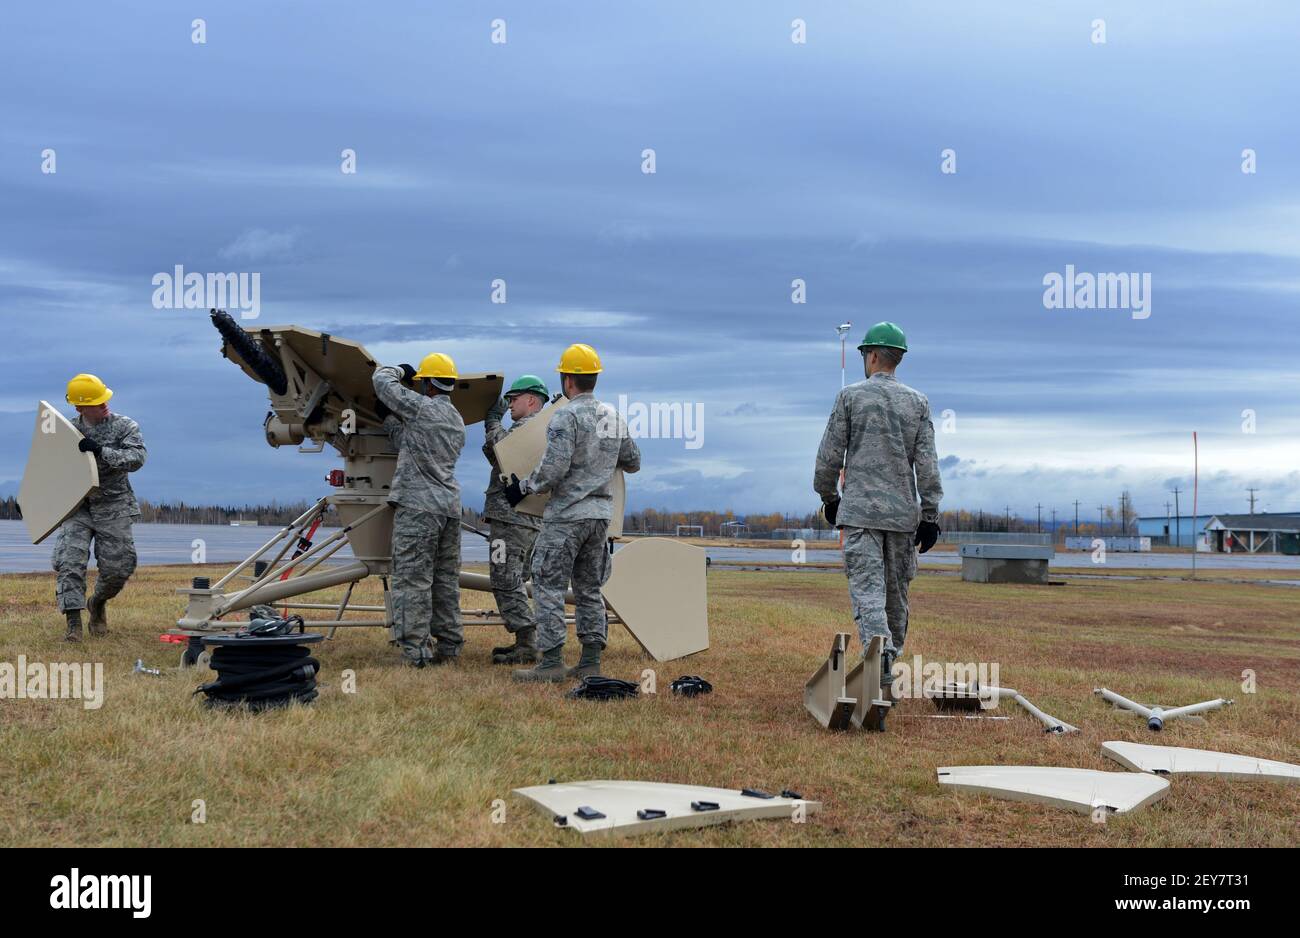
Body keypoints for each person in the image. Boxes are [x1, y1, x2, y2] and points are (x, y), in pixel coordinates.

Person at [813, 322, 943, 705]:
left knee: (868, 593)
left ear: (871, 356)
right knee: (895, 598)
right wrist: (930, 515)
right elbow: (928, 466)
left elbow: (828, 456)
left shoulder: (850, 398)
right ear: (898, 358)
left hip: (860, 516)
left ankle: (880, 659)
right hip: (902, 519)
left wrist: (829, 498)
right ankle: (888, 663)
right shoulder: (917, 403)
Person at [504, 344, 640, 683]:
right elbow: (633, 461)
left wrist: (522, 487)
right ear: (594, 378)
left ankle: (551, 663)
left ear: (567, 380)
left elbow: (553, 470)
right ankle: (590, 662)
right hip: (599, 518)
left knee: (548, 585)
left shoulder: (565, 417)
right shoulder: (612, 417)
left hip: (566, 517)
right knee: (589, 588)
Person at [372, 354, 465, 667]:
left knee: (412, 580)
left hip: (418, 508)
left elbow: (381, 381)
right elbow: (413, 444)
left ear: (428, 385)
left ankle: (415, 653)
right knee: (444, 581)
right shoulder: (456, 421)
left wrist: (400, 370)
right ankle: (449, 647)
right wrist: (390, 422)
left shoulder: (422, 408)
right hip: (448, 509)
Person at [52, 374, 147, 642]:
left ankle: (98, 602)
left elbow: (137, 458)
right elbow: (49, 468)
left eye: (105, 398)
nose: (105, 404)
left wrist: (101, 451)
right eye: (97, 402)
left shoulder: (125, 426)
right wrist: (35, 500)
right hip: (78, 506)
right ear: (80, 407)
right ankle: (73, 624)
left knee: (119, 568)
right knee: (69, 562)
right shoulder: (66, 432)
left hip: (114, 505)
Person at [482, 375, 549, 664]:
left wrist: (492, 421)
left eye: (514, 398)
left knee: (504, 578)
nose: (509, 404)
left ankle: (527, 642)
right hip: (525, 520)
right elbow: (499, 459)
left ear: (531, 400)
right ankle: (526, 640)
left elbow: (501, 447)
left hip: (511, 520)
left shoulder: (526, 430)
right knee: (515, 578)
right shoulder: (543, 430)